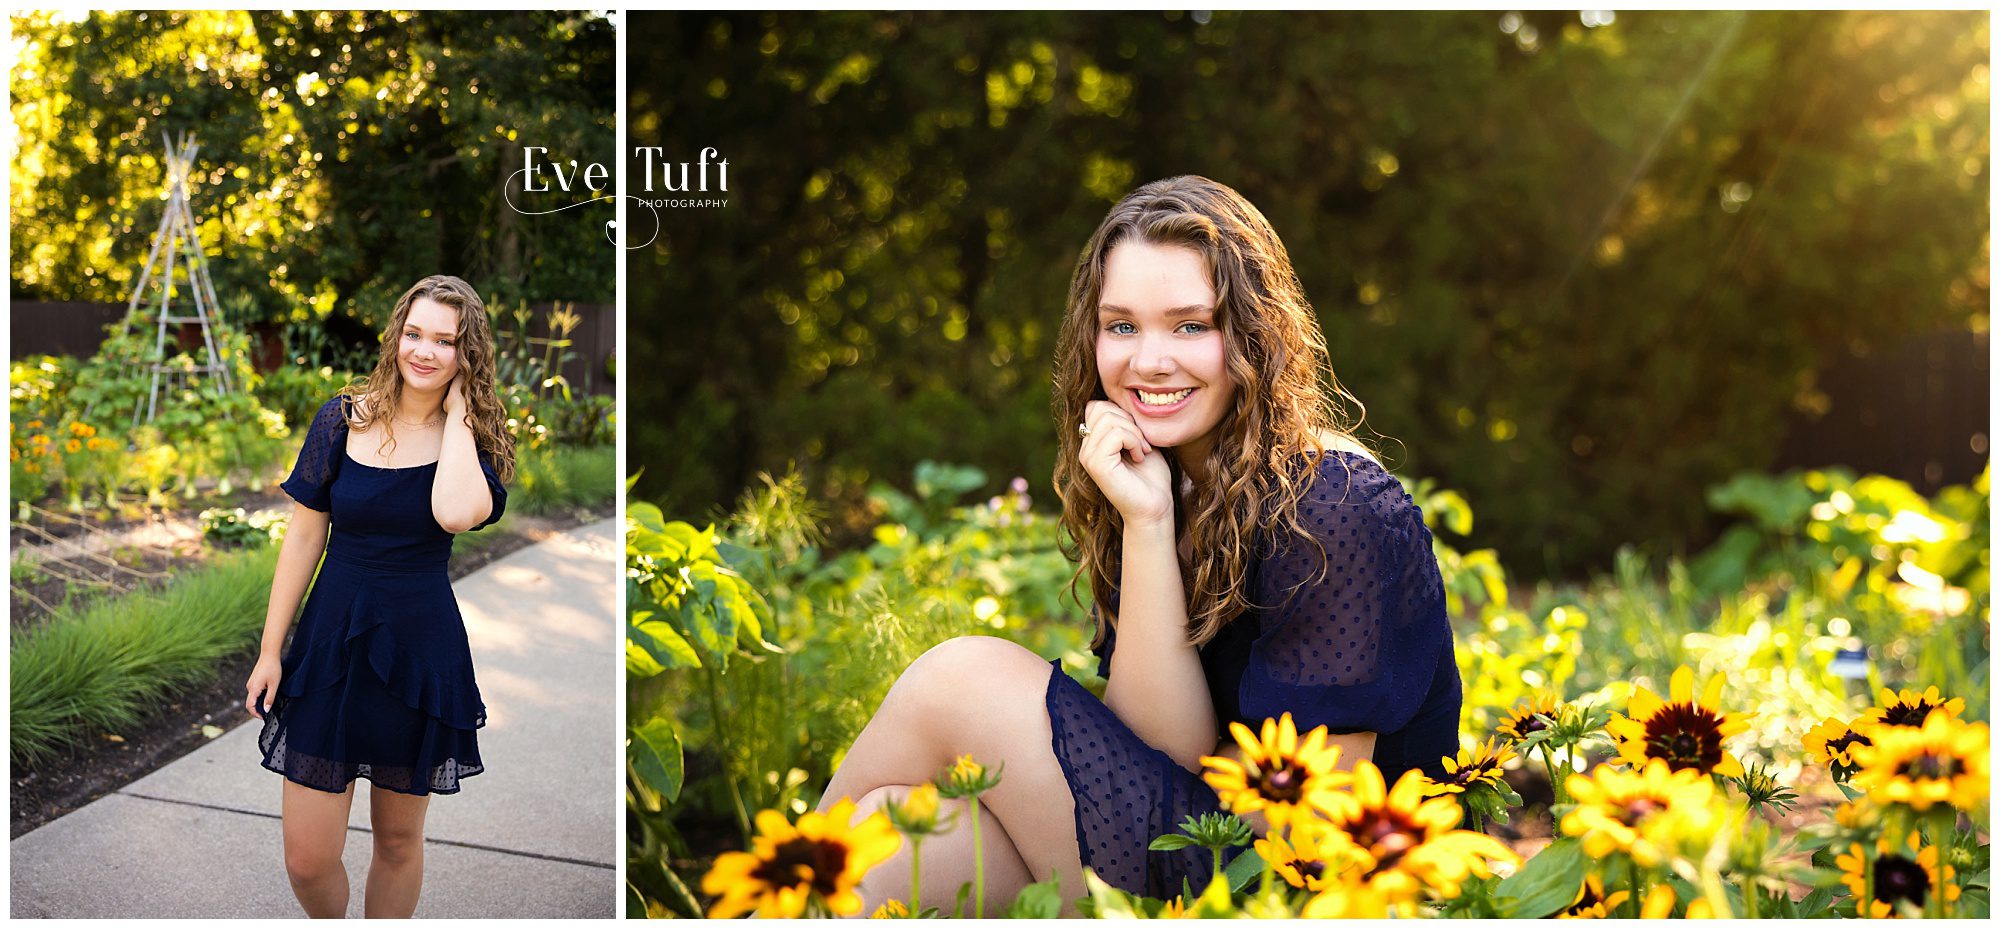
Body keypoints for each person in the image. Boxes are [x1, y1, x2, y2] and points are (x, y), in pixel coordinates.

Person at [816, 176, 1460, 910]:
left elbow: (1315, 821)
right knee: (895, 843)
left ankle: (764, 892)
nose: (1150, 360)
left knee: (960, 677)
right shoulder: (1158, 484)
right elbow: (1164, 747)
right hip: (1184, 841)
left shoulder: (1334, 507)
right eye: (1121, 326)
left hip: (1310, 889)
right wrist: (1149, 525)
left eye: (1190, 325)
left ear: (1254, 333)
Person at [243, 274, 515, 918]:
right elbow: (305, 537)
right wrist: (269, 650)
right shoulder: (341, 419)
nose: (424, 351)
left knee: (397, 840)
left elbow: (453, 513)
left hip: (418, 653)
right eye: (414, 334)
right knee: (307, 860)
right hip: (330, 643)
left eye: (445, 342)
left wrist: (459, 416)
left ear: (467, 355)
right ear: (396, 336)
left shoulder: (476, 447)